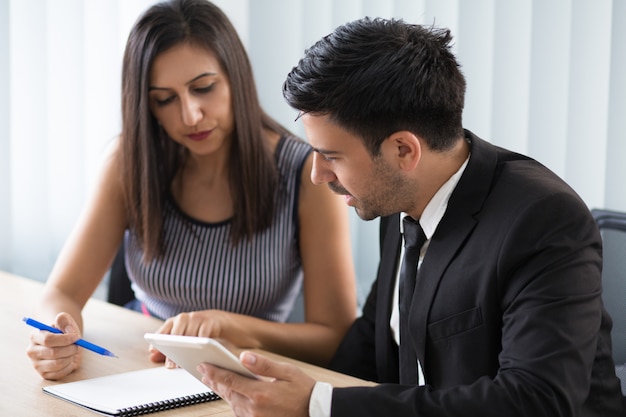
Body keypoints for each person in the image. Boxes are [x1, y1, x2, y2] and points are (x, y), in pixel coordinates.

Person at [196, 17, 626, 417]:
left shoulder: (543, 220)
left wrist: (321, 405)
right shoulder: (397, 193)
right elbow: (373, 342)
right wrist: (262, 378)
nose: (317, 174)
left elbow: (536, 400)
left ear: (404, 150)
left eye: (332, 156)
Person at [25, 0, 356, 381]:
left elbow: (335, 338)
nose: (190, 115)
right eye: (164, 99)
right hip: (142, 368)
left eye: (204, 88)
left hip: (246, 376)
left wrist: (226, 325)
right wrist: (54, 334)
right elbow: (61, 292)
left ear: (236, 78)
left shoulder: (305, 173)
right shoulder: (127, 162)